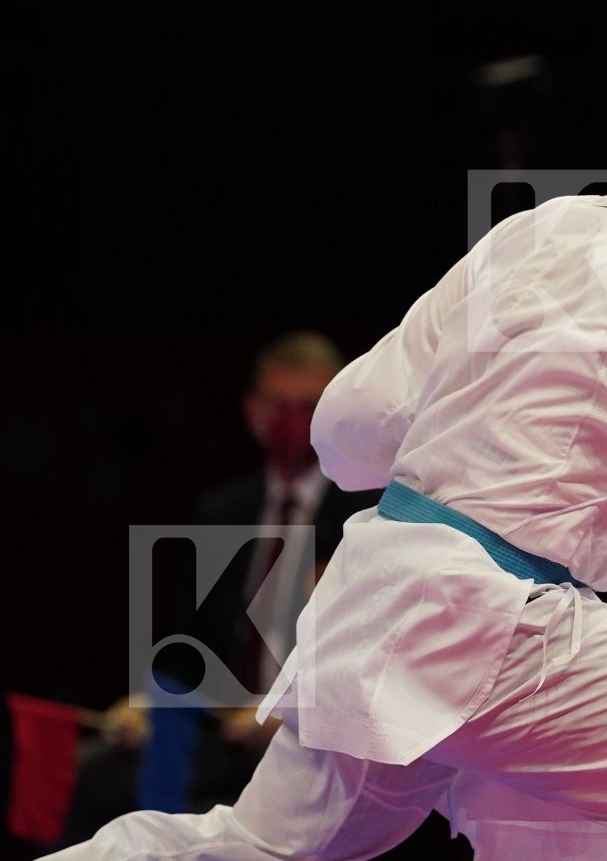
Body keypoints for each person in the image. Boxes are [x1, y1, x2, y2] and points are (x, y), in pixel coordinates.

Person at [49, 6, 607, 861]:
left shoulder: (537, 232)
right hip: (497, 627)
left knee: (256, 849)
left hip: (382, 603)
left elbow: (347, 428)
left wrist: (468, 458)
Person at [59, 332, 380, 844]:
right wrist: (146, 703)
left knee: (190, 818)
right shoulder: (223, 511)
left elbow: (373, 658)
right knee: (87, 779)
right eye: (279, 407)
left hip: (314, 742)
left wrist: (292, 713)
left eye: (309, 406)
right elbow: (185, 649)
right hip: (220, 733)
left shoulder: (369, 518)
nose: (293, 422)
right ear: (253, 411)